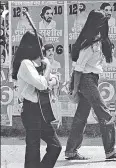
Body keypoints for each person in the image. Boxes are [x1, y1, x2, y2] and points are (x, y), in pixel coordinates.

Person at [65, 8, 116, 160]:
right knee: (104, 113)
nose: (106, 25)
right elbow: (79, 69)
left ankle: (71, 151)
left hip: (90, 79)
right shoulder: (90, 44)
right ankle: (110, 150)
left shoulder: (96, 40)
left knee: (81, 116)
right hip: (86, 80)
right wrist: (74, 89)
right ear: (97, 23)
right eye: (103, 22)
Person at [12, 31, 62, 168]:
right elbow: (41, 84)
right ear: (33, 46)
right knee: (33, 152)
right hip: (30, 109)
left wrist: (48, 78)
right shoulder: (25, 64)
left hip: (42, 109)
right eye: (40, 45)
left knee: (55, 146)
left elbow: (54, 79)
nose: (42, 49)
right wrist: (48, 68)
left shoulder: (36, 64)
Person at [43, 43, 62, 125]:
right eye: (48, 51)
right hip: (46, 89)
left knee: (56, 105)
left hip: (55, 89)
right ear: (45, 52)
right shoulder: (43, 64)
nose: (51, 53)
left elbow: (59, 77)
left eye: (52, 51)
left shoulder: (57, 64)